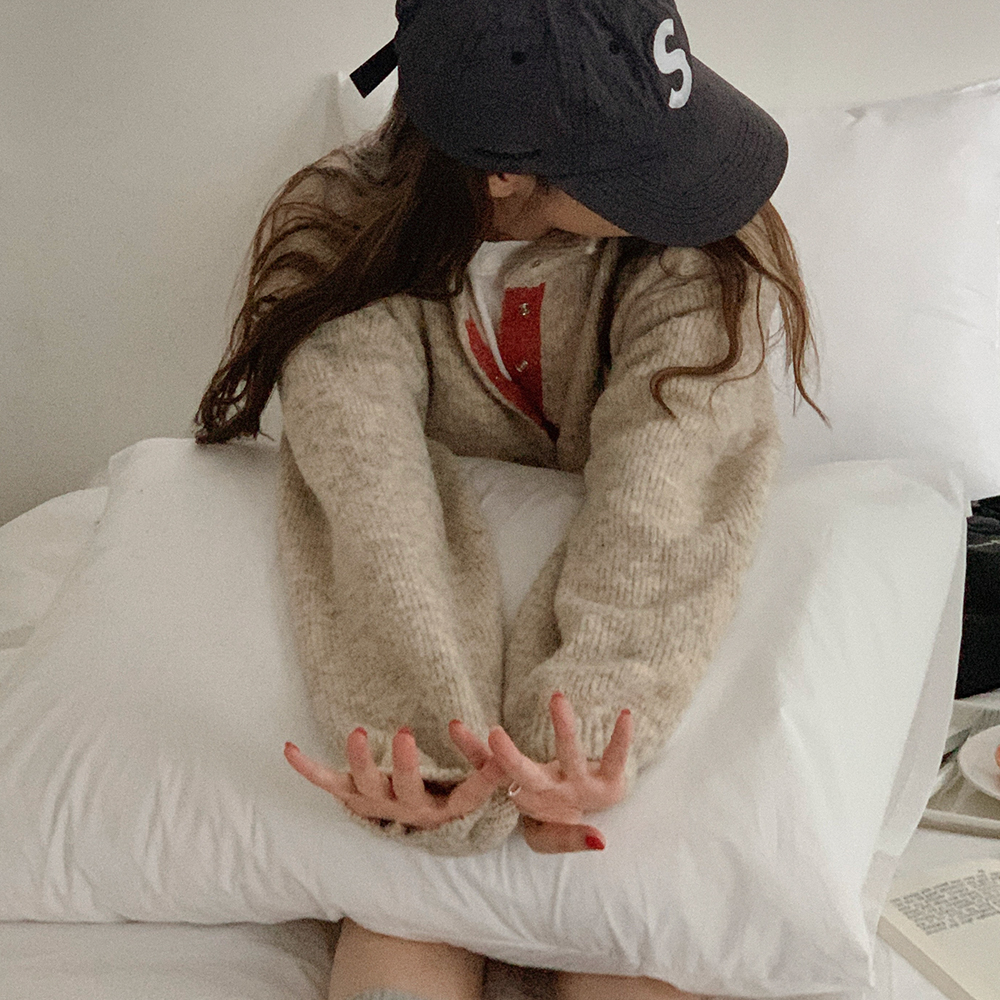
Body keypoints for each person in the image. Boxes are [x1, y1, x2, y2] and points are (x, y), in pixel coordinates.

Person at [195, 0, 823, 996]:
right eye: (634, 159)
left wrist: (581, 734)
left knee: (629, 948)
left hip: (641, 678)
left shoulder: (693, 245)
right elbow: (365, 489)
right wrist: (427, 746)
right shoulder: (338, 233)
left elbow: (672, 487)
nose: (684, 180)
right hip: (439, 669)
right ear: (503, 174)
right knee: (402, 943)